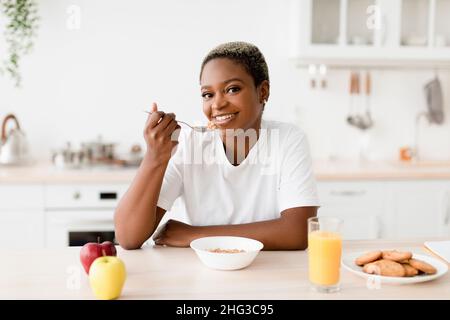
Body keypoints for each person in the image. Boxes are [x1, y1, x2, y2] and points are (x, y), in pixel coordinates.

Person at [114, 41, 319, 250]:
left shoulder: (287, 139)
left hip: (266, 272)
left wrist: (195, 236)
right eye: (208, 94)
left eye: (232, 89)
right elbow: (129, 237)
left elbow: (299, 232)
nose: (217, 104)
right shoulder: (190, 142)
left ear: (263, 91)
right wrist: (155, 157)